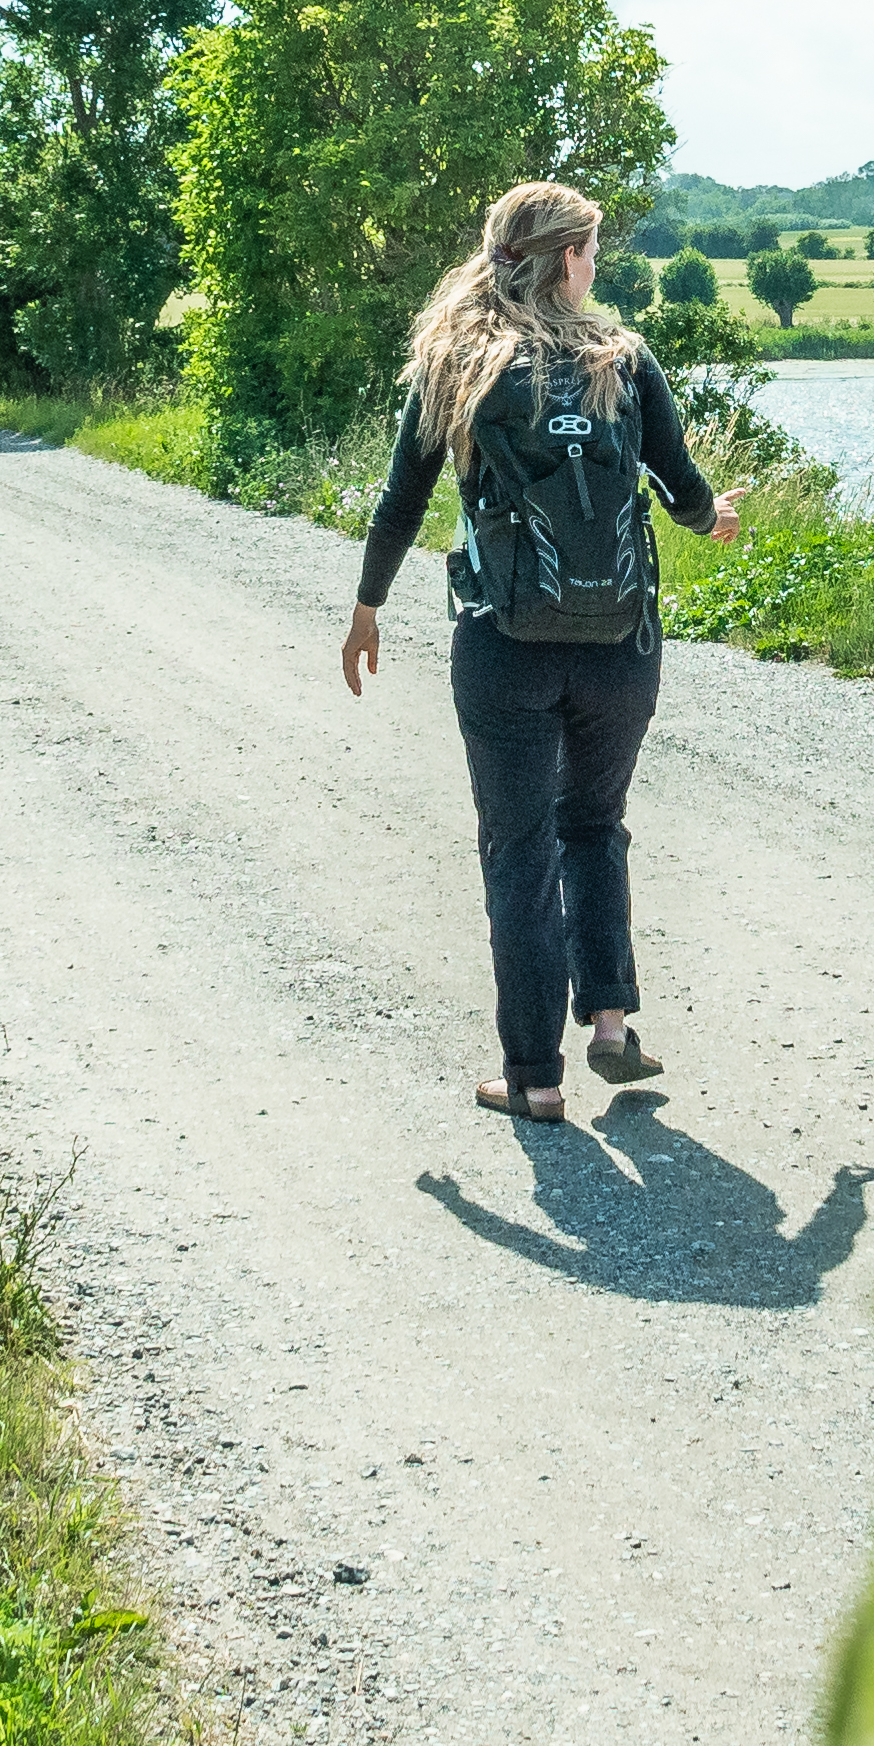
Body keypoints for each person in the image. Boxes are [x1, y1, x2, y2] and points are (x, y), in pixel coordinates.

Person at [343, 182, 741, 1124]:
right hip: (619, 646)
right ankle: (609, 1022)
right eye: (590, 252)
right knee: (594, 824)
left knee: (519, 852)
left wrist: (368, 608)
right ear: (565, 261)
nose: (595, 268)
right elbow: (682, 491)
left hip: (505, 643)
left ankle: (534, 1079)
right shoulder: (624, 358)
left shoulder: (459, 360)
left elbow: (403, 498)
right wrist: (710, 517)